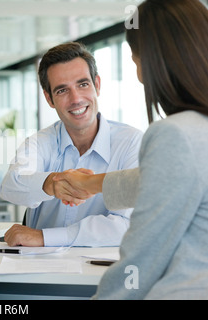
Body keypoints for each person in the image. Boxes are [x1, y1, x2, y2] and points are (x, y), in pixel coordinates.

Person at [68, 0, 208, 299]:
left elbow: (143, 257)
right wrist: (90, 183)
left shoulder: (175, 133)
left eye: (135, 60)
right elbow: (167, 180)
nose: (139, 74)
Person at [0, 42, 143, 247]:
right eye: (62, 90)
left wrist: (45, 237)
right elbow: (10, 186)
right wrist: (51, 183)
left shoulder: (132, 143)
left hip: (100, 272)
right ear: (49, 98)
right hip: (38, 268)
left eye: (83, 84)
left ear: (97, 85)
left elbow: (128, 226)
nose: (76, 99)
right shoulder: (41, 142)